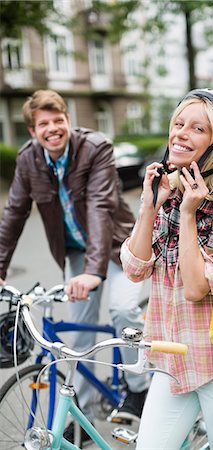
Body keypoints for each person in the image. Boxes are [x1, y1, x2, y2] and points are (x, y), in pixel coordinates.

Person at [0, 89, 149, 442]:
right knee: (77, 338)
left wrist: (94, 273)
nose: (52, 128)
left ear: (68, 121)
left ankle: (140, 388)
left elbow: (100, 208)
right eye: (43, 124)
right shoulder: (28, 160)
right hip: (77, 253)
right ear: (33, 132)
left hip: (117, 246)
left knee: (123, 308)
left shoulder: (95, 148)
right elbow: (14, 214)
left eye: (58, 120)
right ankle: (79, 414)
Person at [120, 88, 213, 450]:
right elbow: (134, 270)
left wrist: (188, 215)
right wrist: (151, 205)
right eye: (178, 123)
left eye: (197, 129)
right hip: (172, 359)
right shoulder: (166, 194)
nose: (181, 133)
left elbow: (196, 288)